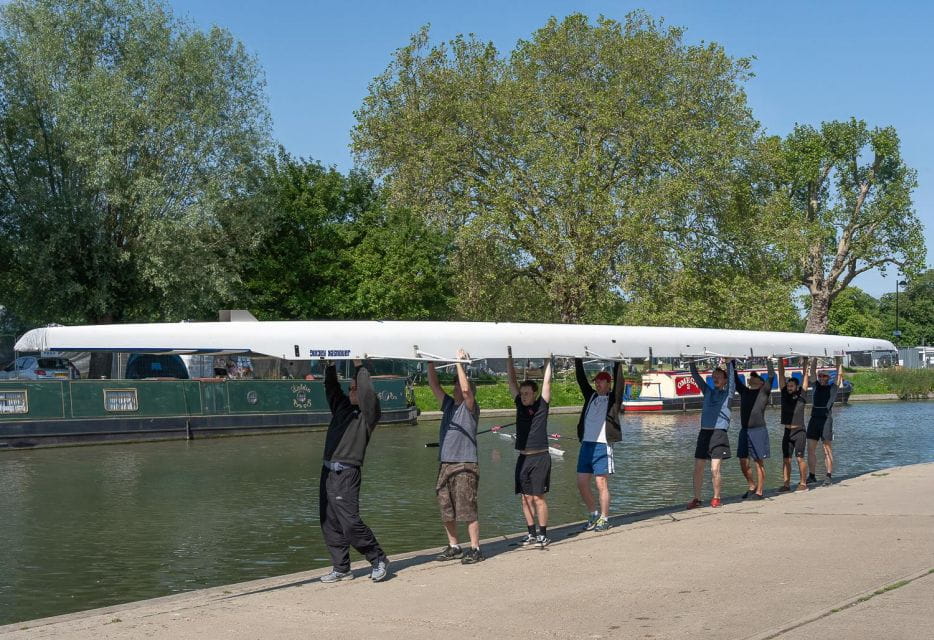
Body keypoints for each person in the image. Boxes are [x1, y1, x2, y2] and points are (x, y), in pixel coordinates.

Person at [319, 359, 389, 583]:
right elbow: (331, 388)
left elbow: (367, 392)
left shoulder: (368, 416)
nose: (351, 392)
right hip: (328, 472)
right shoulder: (342, 408)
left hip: (346, 474)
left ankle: (378, 559)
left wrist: (359, 367)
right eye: (350, 388)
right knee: (330, 522)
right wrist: (329, 366)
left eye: (354, 389)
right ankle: (341, 568)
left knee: (350, 522)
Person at [427, 349, 483, 564]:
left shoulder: (470, 407)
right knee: (446, 507)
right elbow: (434, 386)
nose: (455, 387)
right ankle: (454, 546)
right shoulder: (449, 405)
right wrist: (430, 361)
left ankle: (475, 548)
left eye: (457, 384)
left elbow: (467, 390)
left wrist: (459, 363)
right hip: (445, 464)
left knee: (467, 508)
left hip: (465, 464)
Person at [505, 348, 553, 548]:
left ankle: (543, 534)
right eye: (522, 393)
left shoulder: (542, 406)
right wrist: (509, 357)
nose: (523, 396)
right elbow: (511, 381)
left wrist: (548, 359)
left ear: (534, 394)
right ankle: (531, 533)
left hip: (540, 457)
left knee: (538, 498)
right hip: (523, 458)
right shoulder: (519, 405)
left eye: (527, 393)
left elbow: (547, 382)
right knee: (525, 499)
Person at [574, 358, 624, 532]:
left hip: (603, 445)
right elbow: (581, 379)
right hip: (587, 444)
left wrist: (618, 363)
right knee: (581, 482)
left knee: (600, 482)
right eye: (597, 381)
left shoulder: (613, 399)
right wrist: (577, 359)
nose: (598, 384)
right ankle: (593, 513)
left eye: (602, 381)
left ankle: (604, 517)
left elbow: (620, 385)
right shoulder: (591, 396)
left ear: (609, 384)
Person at [687, 359, 736, 509]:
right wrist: (691, 362)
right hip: (704, 433)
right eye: (713, 376)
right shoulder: (708, 391)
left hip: (718, 434)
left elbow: (733, 378)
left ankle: (716, 498)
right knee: (698, 468)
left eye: (719, 377)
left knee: (715, 469)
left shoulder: (728, 394)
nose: (715, 378)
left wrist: (729, 363)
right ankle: (697, 499)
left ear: (725, 380)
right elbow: (696, 377)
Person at [733, 359, 775, 500]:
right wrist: (731, 362)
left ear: (761, 382)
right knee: (743, 462)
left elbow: (771, 376)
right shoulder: (744, 391)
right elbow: (735, 379)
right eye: (751, 377)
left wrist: (769, 360)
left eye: (754, 376)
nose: (751, 378)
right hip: (744, 431)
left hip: (758, 431)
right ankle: (752, 486)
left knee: (759, 462)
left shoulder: (764, 391)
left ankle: (760, 492)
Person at [807, 356, 844, 487]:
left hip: (826, 420)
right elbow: (811, 372)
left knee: (826, 449)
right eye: (820, 376)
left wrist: (839, 360)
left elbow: (839, 376)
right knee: (810, 448)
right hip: (814, 419)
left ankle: (828, 476)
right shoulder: (815, 385)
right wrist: (815, 358)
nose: (822, 378)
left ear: (828, 378)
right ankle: (812, 476)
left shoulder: (832, 388)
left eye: (824, 376)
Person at [778, 357, 810, 492]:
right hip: (787, 432)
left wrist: (805, 364)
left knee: (800, 458)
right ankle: (786, 484)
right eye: (788, 386)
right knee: (786, 460)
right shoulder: (784, 394)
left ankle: (803, 483)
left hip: (799, 432)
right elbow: (780, 375)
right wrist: (779, 359)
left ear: (796, 387)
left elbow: (805, 380)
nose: (789, 387)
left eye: (791, 386)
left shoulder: (801, 396)